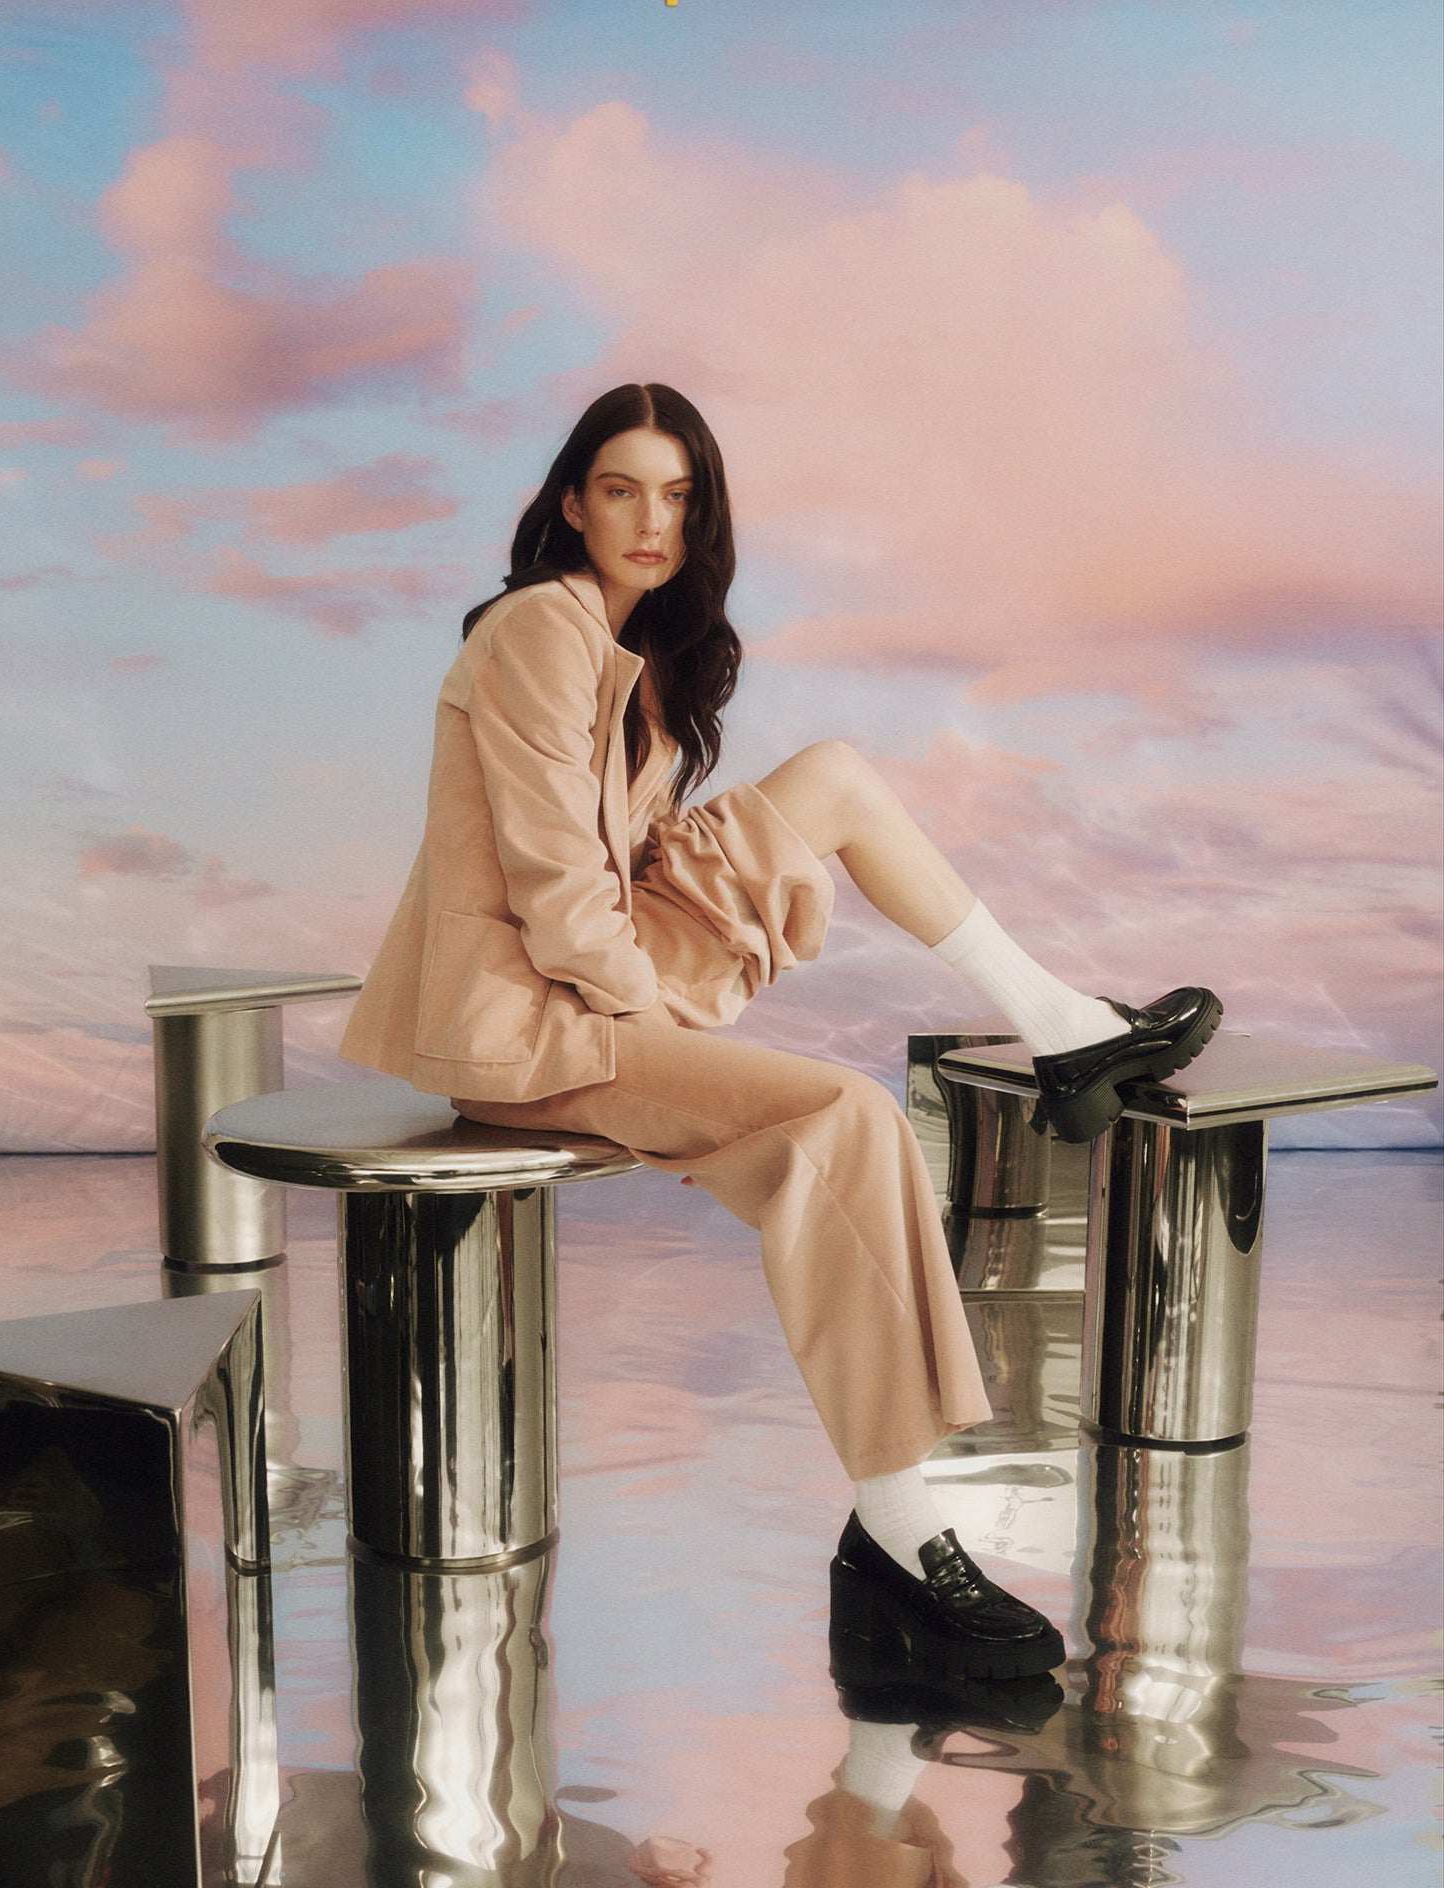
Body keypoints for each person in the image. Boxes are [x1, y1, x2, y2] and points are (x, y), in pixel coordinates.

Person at [340, 382, 1220, 1681]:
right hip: (532, 1015)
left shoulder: (625, 647)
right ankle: (893, 1523)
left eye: (679, 494)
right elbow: (552, 891)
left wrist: (667, 954)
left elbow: (615, 863)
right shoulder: (541, 627)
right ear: (572, 503)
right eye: (623, 489)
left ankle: (1063, 1029)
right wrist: (663, 1027)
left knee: (838, 779)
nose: (651, 518)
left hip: (599, 956)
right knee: (843, 1112)